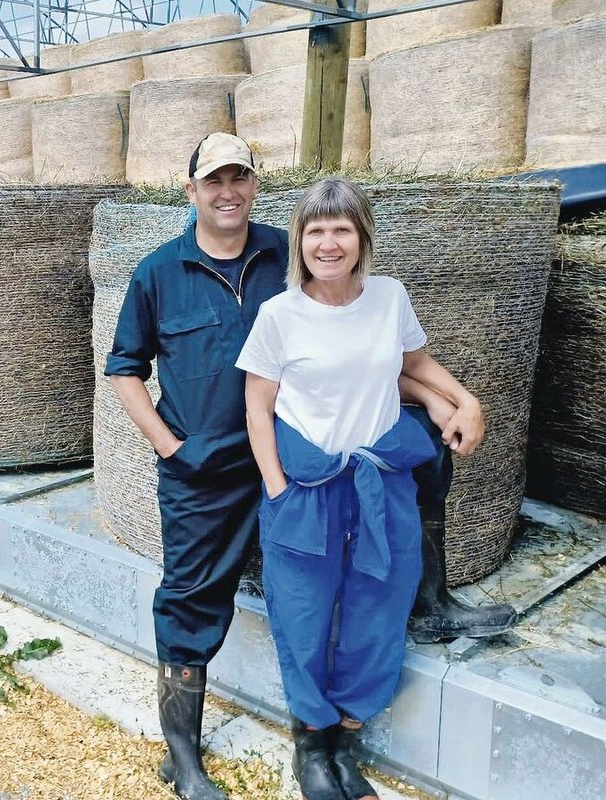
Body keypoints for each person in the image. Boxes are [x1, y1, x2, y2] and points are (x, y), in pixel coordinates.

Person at [104, 135, 511, 800]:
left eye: (239, 178)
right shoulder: (159, 272)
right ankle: (183, 757)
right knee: (191, 596)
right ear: (191, 192)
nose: (227, 191)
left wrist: (448, 400)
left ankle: (430, 603)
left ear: (256, 186)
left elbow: (358, 361)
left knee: (418, 468)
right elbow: (124, 368)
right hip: (207, 462)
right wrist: (170, 446)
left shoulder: (288, 256)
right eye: (214, 181)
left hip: (297, 456)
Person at [236, 177, 483, 800]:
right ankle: (311, 745)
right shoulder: (279, 315)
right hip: (307, 486)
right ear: (300, 242)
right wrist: (277, 488)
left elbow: (414, 366)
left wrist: (464, 400)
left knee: (381, 604)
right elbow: (257, 409)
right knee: (302, 613)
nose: (328, 242)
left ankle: (346, 739)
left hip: (379, 482)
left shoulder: (388, 298)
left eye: (341, 228)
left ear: (361, 237)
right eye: (315, 230)